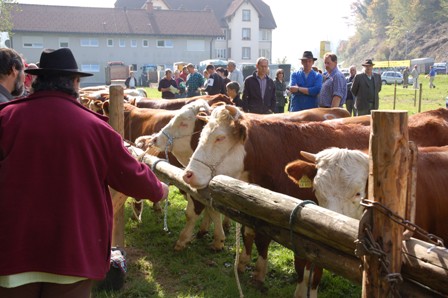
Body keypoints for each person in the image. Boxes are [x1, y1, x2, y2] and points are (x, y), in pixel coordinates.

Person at [0, 48, 169, 297]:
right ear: (75, 82)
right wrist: (160, 190)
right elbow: (131, 175)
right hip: (73, 252)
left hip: (12, 251)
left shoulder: (6, 118)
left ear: (36, 80)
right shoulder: (96, 129)